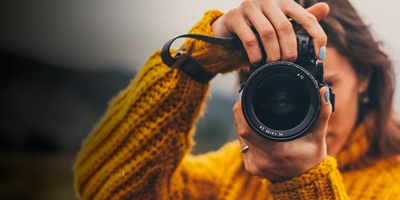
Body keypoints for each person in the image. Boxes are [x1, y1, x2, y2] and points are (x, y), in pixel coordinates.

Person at [73, 0, 400, 199]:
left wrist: (302, 184)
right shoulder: (231, 175)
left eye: (324, 84)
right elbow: (108, 189)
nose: (313, 112)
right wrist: (196, 63)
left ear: (364, 79)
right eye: (278, 92)